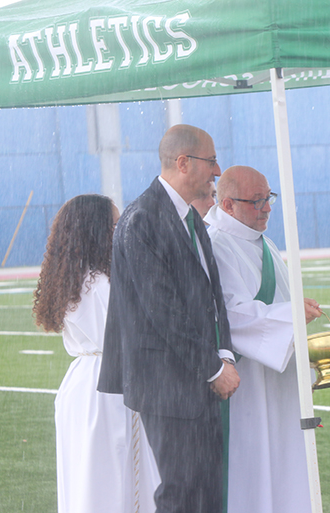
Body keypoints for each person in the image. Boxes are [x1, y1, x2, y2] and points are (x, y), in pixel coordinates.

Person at [98, 124, 240, 513]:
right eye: (211, 161)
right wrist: (214, 368)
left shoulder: (189, 219)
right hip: (169, 384)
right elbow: (164, 311)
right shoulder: (142, 218)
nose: (217, 171)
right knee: (182, 494)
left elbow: (212, 296)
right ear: (183, 162)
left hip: (195, 381)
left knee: (208, 492)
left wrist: (224, 353)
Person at [205, 165, 321, 513]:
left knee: (286, 468)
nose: (267, 207)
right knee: (253, 472)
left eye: (268, 198)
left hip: (279, 378)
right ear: (227, 205)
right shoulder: (217, 245)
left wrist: (306, 366)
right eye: (256, 201)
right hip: (249, 384)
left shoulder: (264, 243)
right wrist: (290, 316)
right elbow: (230, 314)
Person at [33, 194, 159, 513]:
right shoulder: (100, 283)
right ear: (95, 230)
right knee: (117, 478)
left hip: (84, 387)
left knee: (89, 480)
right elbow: (133, 335)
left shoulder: (76, 280)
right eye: (115, 224)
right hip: (111, 387)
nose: (121, 230)